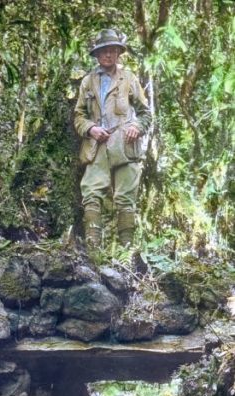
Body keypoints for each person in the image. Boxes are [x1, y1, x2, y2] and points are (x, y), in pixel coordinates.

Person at [74, 28, 151, 248]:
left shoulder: (129, 79)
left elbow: (145, 113)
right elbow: (78, 115)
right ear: (97, 55)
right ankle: (93, 250)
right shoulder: (88, 82)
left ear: (118, 53)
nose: (108, 55)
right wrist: (90, 129)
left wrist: (137, 125)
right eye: (103, 51)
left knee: (125, 199)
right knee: (90, 193)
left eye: (112, 51)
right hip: (97, 145)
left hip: (125, 145)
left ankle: (126, 252)